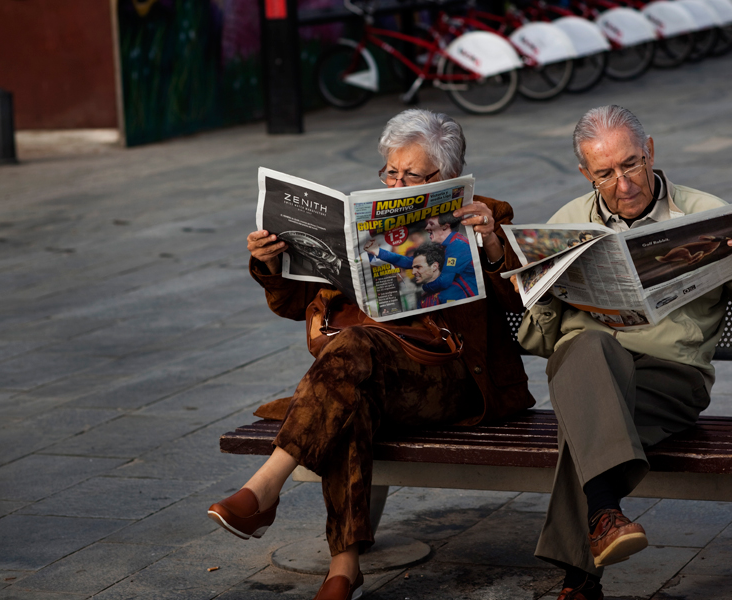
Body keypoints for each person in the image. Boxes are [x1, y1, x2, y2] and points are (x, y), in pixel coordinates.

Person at [208, 108, 533, 600]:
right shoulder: (366, 225)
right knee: (350, 397)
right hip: (368, 373)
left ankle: (265, 489)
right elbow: (295, 305)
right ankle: (343, 568)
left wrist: (490, 243)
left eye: (410, 174)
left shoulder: (486, 215)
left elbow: (523, 299)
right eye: (390, 171)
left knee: (350, 354)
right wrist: (268, 263)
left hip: (452, 375)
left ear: (444, 178)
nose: (396, 181)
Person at [516, 106, 732, 600]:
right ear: (585, 173)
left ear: (650, 150)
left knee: (587, 422)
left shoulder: (706, 216)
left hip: (669, 379)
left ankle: (588, 551)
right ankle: (600, 527)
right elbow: (538, 342)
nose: (624, 184)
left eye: (631, 164)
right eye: (605, 174)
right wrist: (544, 294)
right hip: (587, 367)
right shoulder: (566, 224)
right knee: (587, 345)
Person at [365, 213, 478, 299]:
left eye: (431, 224)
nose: (426, 228)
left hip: (470, 302)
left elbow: (444, 281)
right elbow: (407, 261)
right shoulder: (441, 247)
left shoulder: (458, 245)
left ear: (445, 227)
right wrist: (378, 252)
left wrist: (424, 287)